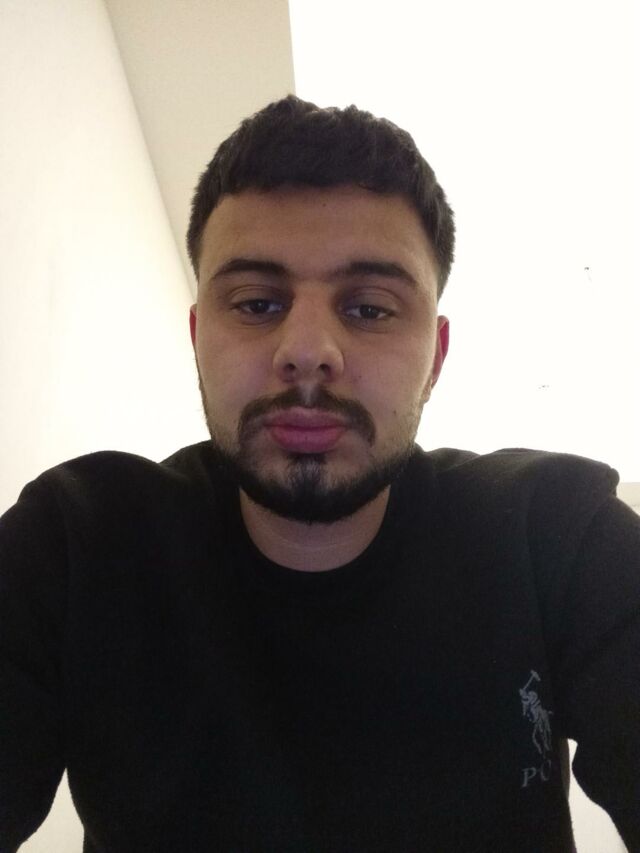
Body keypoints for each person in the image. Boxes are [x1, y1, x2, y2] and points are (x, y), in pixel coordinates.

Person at [1, 94, 638, 853]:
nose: (307, 351)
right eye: (256, 303)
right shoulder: (75, 547)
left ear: (435, 357)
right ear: (198, 338)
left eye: (368, 309)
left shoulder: (559, 538)